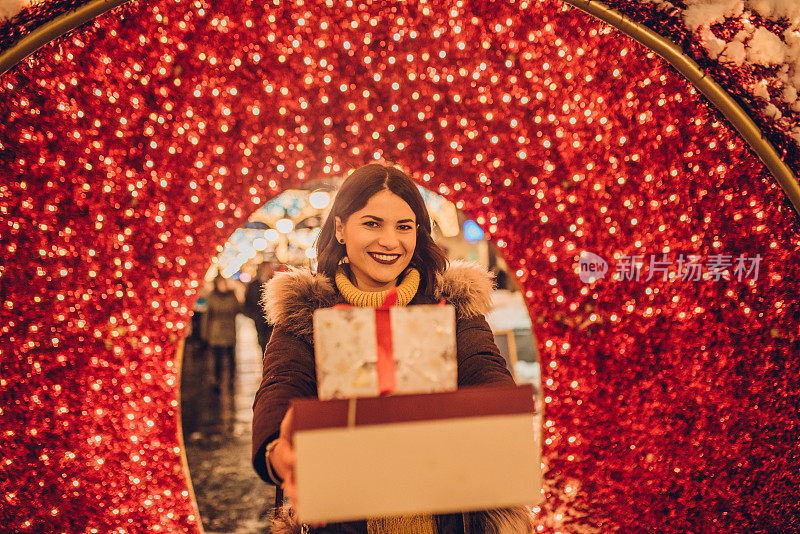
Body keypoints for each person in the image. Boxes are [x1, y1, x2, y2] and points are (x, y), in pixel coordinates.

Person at [251, 163, 531, 533]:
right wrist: (277, 448)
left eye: (404, 226)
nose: (389, 241)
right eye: (371, 223)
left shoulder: (451, 305)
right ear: (340, 228)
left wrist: (498, 421)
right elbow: (282, 384)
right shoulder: (306, 312)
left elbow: (483, 367)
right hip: (342, 522)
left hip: (448, 520)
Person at [202, 275, 242, 392]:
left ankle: (231, 379)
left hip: (229, 332)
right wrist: (205, 334)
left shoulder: (232, 296)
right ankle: (217, 380)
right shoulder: (212, 297)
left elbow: (239, 310)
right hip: (216, 333)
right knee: (217, 359)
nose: (222, 286)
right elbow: (206, 317)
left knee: (231, 357)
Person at [244, 261, 277, 355]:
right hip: (259, 320)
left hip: (272, 319)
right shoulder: (253, 285)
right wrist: (254, 316)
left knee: (273, 343)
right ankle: (265, 361)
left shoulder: (274, 283)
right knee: (263, 343)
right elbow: (247, 304)